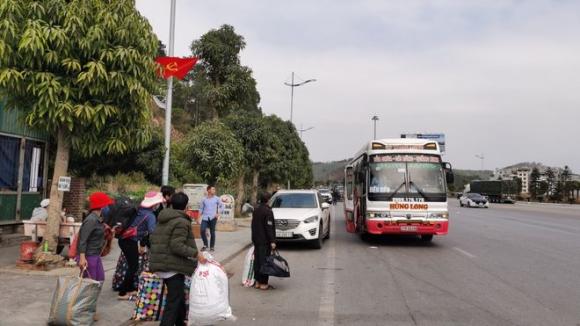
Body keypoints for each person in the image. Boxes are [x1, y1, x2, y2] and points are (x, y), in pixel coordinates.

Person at [149, 192, 206, 326]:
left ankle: (181, 323)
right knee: (173, 302)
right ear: (186, 206)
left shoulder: (164, 218)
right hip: (171, 267)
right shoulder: (181, 221)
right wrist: (196, 254)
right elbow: (177, 245)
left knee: (178, 296)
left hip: (162, 263)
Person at [117, 191, 161, 300]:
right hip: (129, 241)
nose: (158, 205)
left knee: (133, 265)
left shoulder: (140, 209)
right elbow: (152, 232)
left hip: (124, 240)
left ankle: (130, 289)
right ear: (154, 204)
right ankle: (122, 293)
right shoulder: (150, 215)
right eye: (157, 203)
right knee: (133, 266)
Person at [251, 192, 277, 290]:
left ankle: (257, 282)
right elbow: (269, 227)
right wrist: (273, 241)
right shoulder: (268, 211)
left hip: (256, 240)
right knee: (264, 262)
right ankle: (263, 283)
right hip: (264, 241)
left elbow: (253, 226)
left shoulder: (256, 210)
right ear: (268, 200)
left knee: (257, 261)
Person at [199, 185, 223, 252]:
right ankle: (205, 245)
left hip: (213, 218)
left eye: (214, 189)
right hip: (205, 218)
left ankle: (212, 246)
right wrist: (198, 218)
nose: (214, 191)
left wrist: (218, 213)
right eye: (213, 189)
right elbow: (201, 209)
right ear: (208, 190)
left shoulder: (217, 199)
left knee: (212, 232)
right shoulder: (204, 199)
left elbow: (222, 206)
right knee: (202, 230)